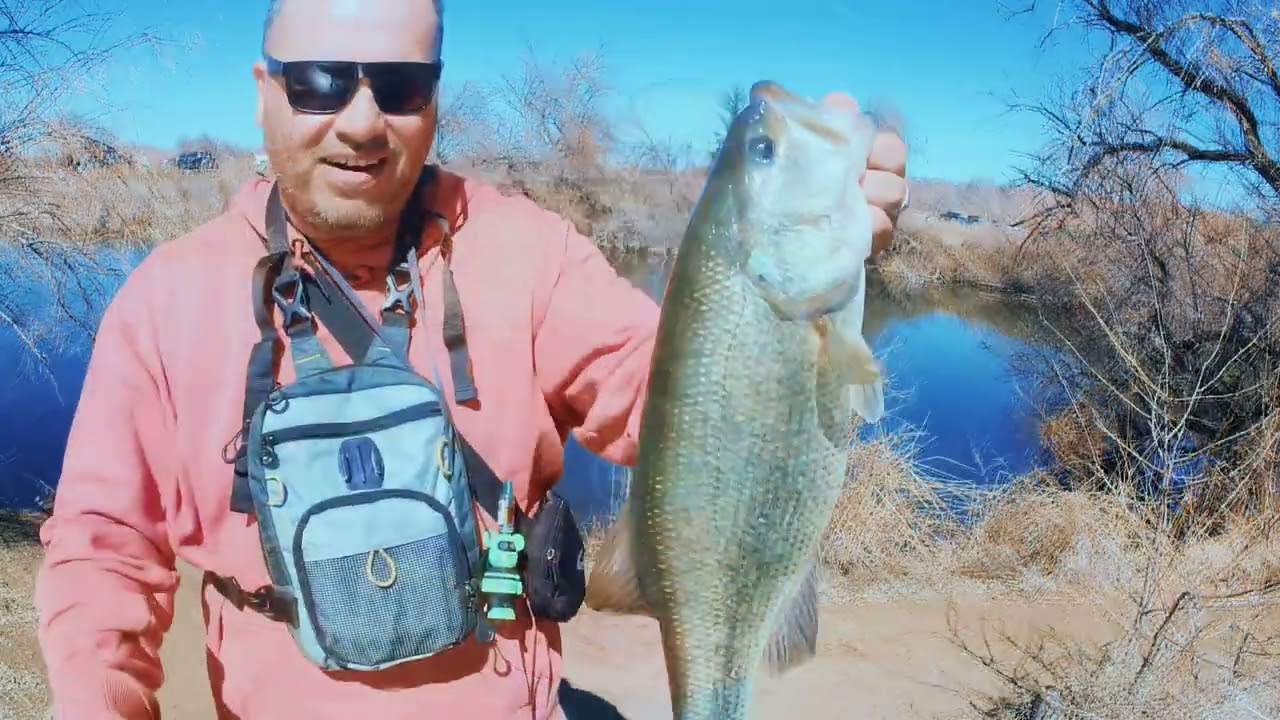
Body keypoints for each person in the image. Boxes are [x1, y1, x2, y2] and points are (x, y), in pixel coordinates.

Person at [32, 0, 910, 718]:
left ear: (437, 100)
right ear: (263, 91)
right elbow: (103, 553)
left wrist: (775, 304)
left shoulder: (528, 251)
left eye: (402, 85)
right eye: (320, 83)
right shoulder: (164, 298)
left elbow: (667, 401)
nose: (363, 120)